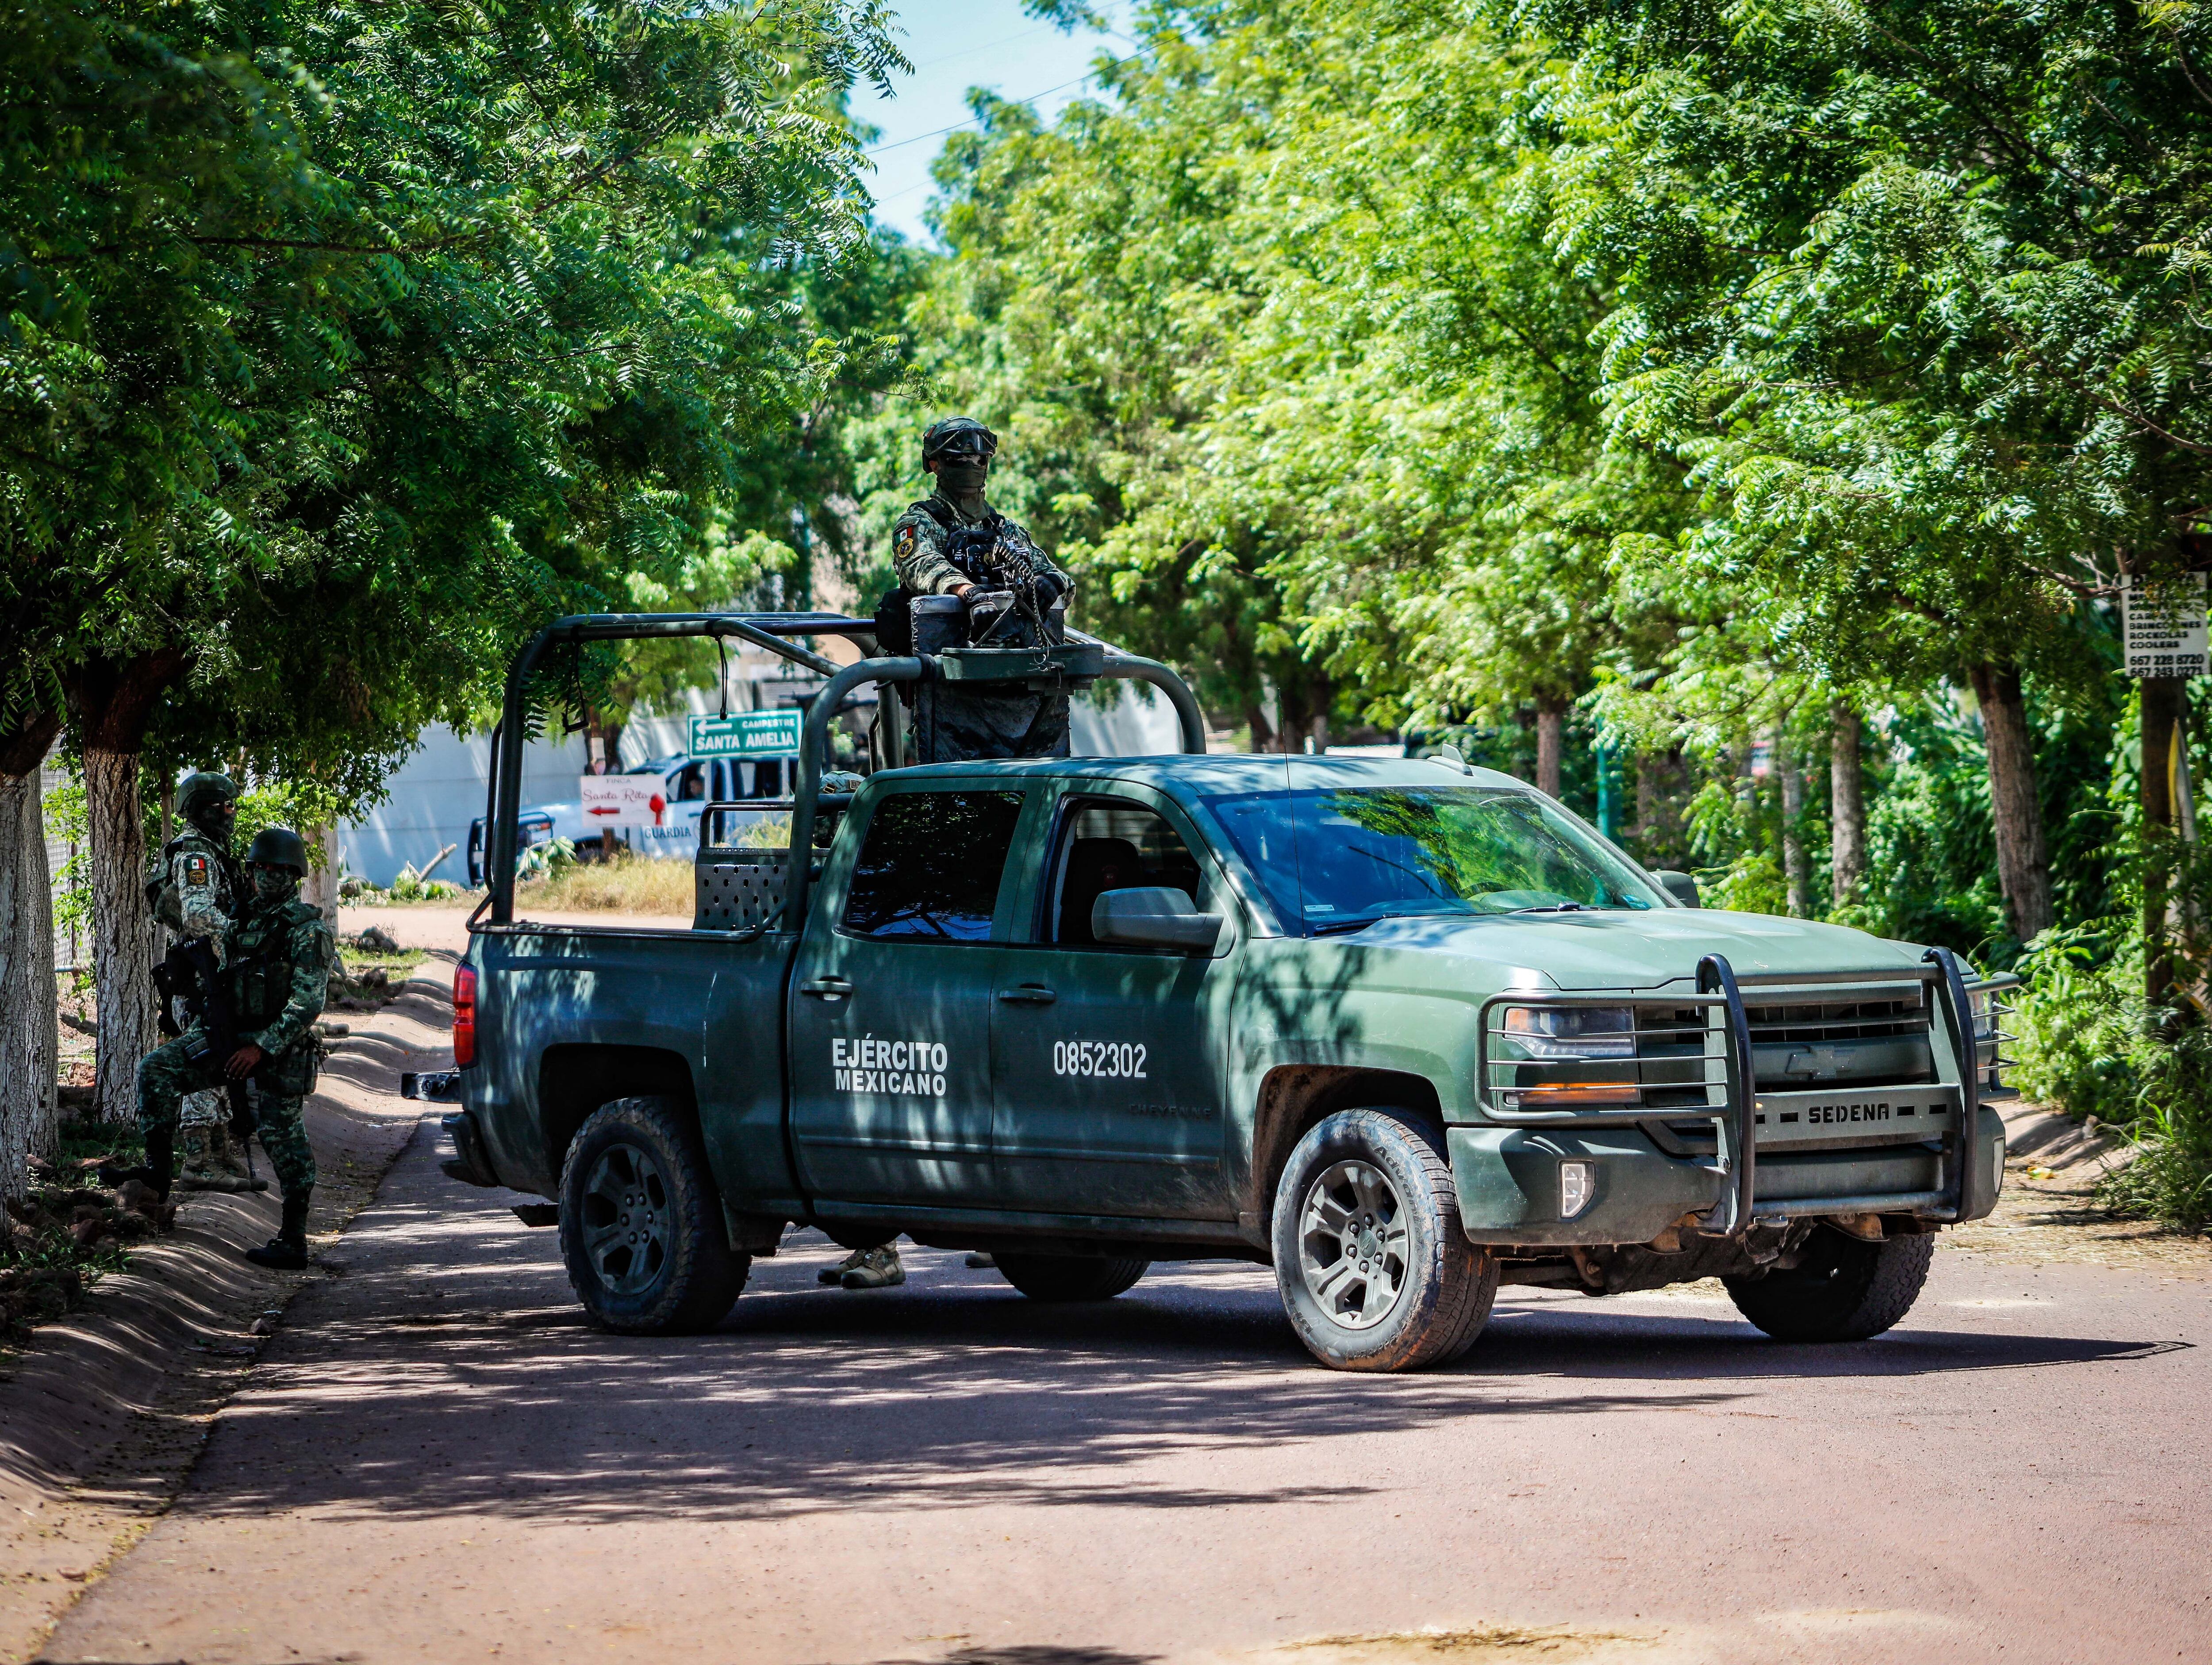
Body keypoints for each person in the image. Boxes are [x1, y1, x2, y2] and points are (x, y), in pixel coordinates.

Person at [135, 826, 334, 1269]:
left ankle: (293, 1238)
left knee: (284, 1142)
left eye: (275, 870)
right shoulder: (239, 920)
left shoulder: (306, 931)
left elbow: (307, 1002)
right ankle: (157, 1172)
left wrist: (261, 1049)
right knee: (157, 1070)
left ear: (293, 874)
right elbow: (188, 921)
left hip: (279, 1048)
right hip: (227, 1036)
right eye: (259, 867)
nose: (265, 876)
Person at [144, 773, 254, 1190]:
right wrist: (241, 939)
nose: (231, 814)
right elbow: (197, 916)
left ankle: (220, 1153)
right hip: (200, 980)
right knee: (202, 1063)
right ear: (205, 808)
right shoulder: (195, 857)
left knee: (223, 1060)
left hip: (217, 976)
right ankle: (197, 1159)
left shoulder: (214, 852)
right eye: (225, 807)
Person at [891, 417, 1072, 619]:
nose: (971, 466)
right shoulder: (921, 522)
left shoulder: (1005, 529)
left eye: (980, 460)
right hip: (941, 645)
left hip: (1015, 645)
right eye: (960, 460)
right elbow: (923, 566)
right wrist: (969, 593)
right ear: (936, 466)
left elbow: (1057, 575)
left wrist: (1051, 583)